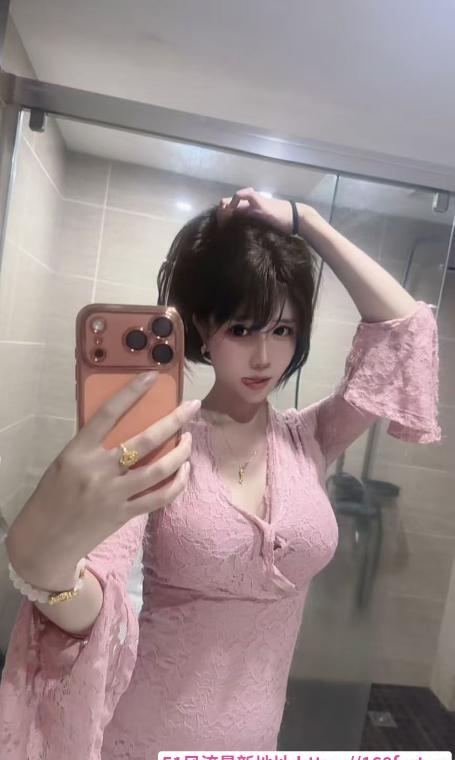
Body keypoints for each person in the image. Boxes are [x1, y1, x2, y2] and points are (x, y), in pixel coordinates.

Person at [0, 189, 441, 759]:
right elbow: (98, 600)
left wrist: (306, 221)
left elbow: (406, 330)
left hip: (256, 740)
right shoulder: (164, 443)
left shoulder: (310, 438)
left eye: (282, 331)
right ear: (204, 328)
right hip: (145, 738)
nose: (264, 357)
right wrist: (49, 570)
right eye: (241, 329)